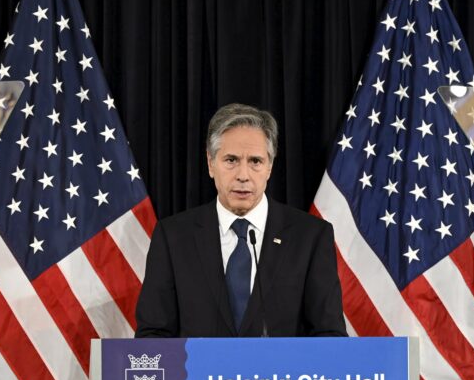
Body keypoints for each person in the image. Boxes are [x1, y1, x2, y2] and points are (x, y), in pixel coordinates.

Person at [135, 103, 346, 337]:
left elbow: (329, 336)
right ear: (210, 163)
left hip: (280, 374)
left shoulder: (310, 237)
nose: (243, 176)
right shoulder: (173, 237)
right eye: (231, 160)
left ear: (270, 166)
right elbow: (153, 334)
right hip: (197, 373)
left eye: (255, 161)